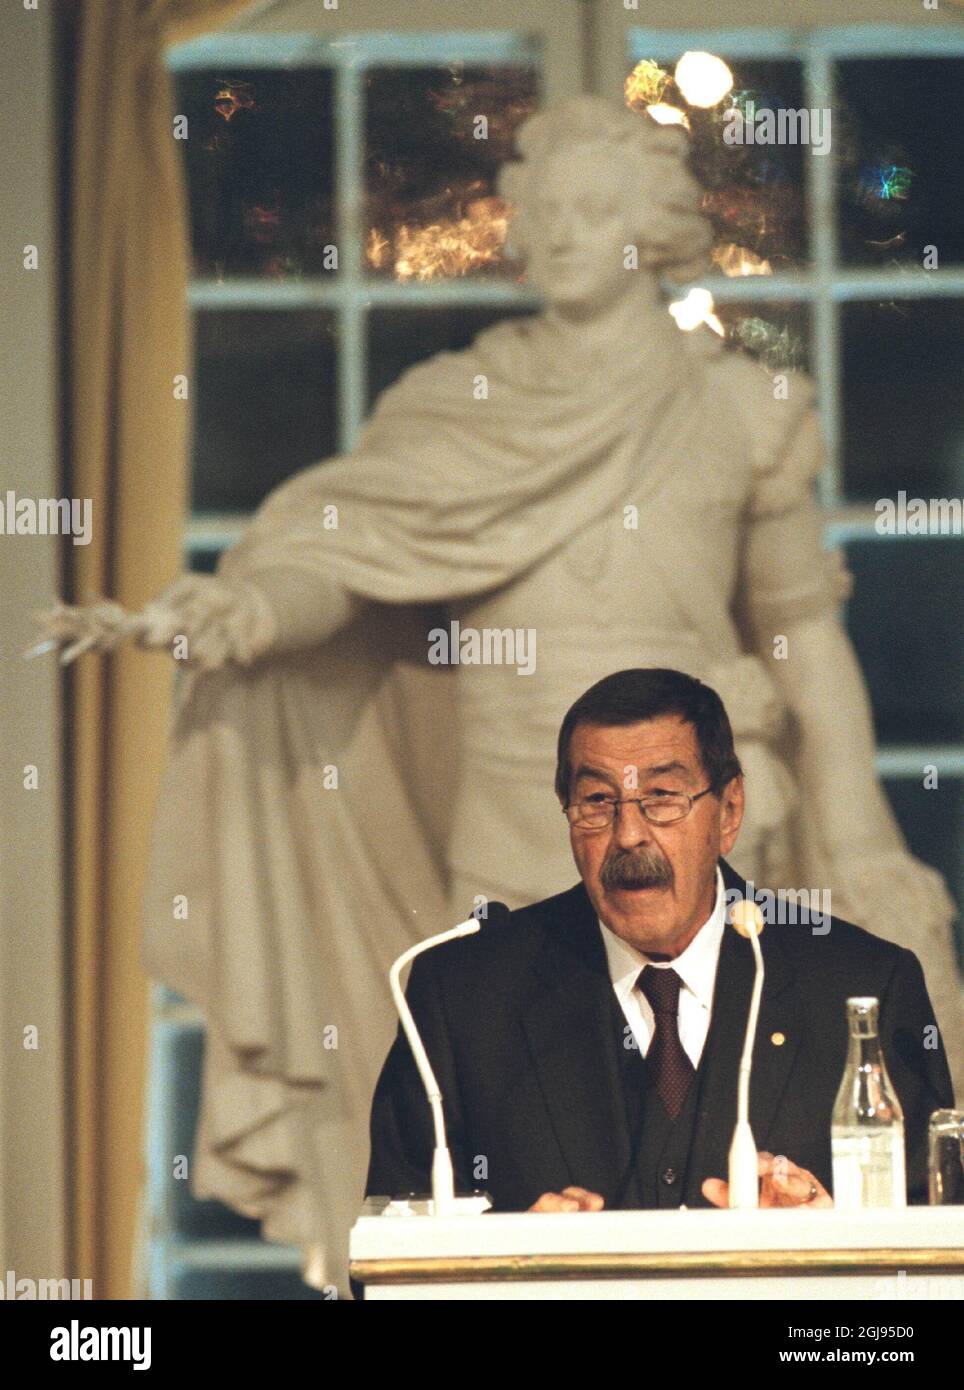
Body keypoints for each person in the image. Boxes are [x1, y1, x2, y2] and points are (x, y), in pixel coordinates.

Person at [32, 97, 962, 1286]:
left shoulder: (740, 406)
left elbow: (799, 635)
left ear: (653, 227)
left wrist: (867, 836)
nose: (565, 233)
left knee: (752, 1158)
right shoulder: (455, 408)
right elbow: (345, 555)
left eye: (596, 208)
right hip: (503, 811)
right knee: (503, 1107)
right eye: (546, 210)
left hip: (695, 818)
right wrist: (249, 609)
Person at [366, 669, 954, 1214]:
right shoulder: (462, 997)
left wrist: (827, 1233)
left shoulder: (862, 988)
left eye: (663, 798)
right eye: (597, 802)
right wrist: (509, 1264)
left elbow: (935, 1256)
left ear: (729, 812)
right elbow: (387, 1253)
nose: (628, 835)